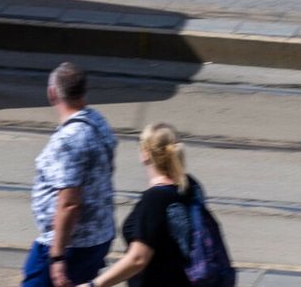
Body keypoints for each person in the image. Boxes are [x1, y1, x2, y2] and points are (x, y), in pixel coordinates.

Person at [78, 124, 222, 287]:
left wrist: (94, 284)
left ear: (145, 154)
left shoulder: (155, 199)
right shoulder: (190, 185)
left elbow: (138, 258)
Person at [25, 62, 117, 287]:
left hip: (71, 244)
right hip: (98, 236)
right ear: (83, 91)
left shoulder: (69, 139)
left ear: (52, 93)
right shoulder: (97, 121)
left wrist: (57, 257)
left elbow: (69, 204)